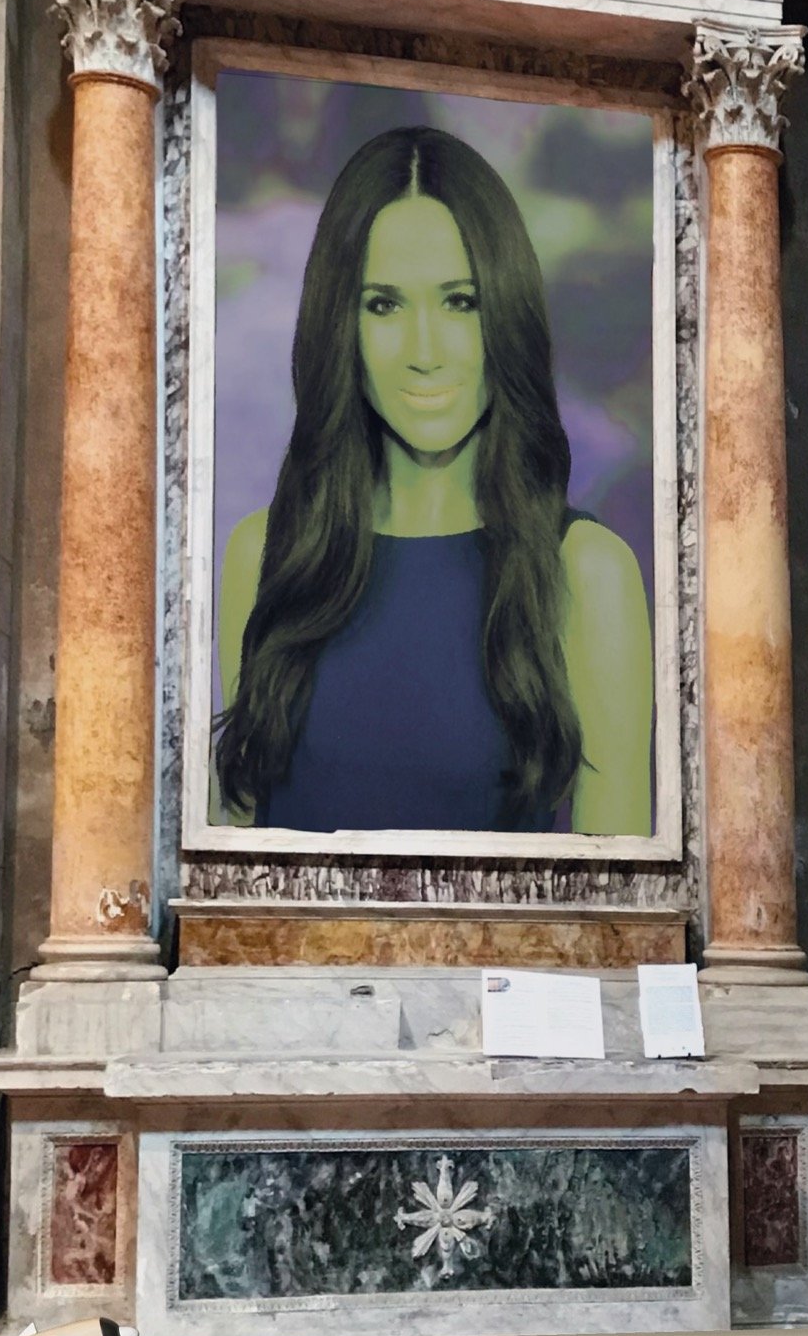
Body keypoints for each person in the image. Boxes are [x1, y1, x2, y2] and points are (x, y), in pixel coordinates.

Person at [213, 124, 652, 836]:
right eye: (384, 304)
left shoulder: (589, 572)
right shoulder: (262, 557)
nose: (424, 352)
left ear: (506, 314)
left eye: (460, 302)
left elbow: (618, 922)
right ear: (340, 324)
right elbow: (226, 884)